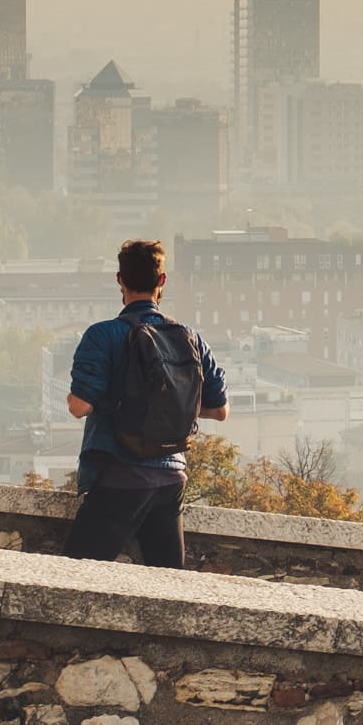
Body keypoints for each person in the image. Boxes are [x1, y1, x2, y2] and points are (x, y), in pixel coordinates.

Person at [63, 239, 227, 567]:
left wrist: (111, 403)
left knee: (72, 577)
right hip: (172, 479)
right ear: (162, 281)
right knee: (167, 585)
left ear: (120, 280)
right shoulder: (190, 338)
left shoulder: (103, 335)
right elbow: (220, 410)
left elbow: (79, 406)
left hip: (119, 475)